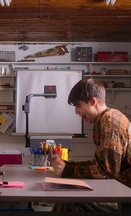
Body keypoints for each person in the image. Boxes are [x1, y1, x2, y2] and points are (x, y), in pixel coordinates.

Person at [52, 78, 131, 212]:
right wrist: (67, 166)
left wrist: (67, 169)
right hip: (119, 190)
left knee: (68, 203)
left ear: (93, 102)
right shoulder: (103, 120)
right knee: (65, 200)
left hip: (125, 197)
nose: (76, 112)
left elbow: (106, 172)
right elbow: (100, 165)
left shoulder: (111, 122)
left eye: (78, 106)